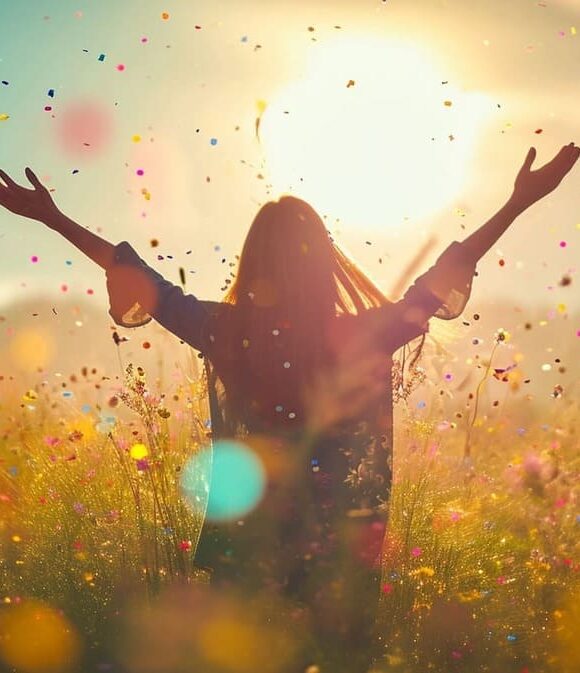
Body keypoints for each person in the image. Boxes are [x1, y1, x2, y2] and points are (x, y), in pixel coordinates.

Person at [0, 143, 578, 672]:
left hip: (247, 540)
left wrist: (52, 218)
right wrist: (516, 203)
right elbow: (435, 284)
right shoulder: (358, 337)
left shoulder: (222, 330)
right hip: (340, 545)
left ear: (253, 262)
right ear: (322, 261)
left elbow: (136, 275)